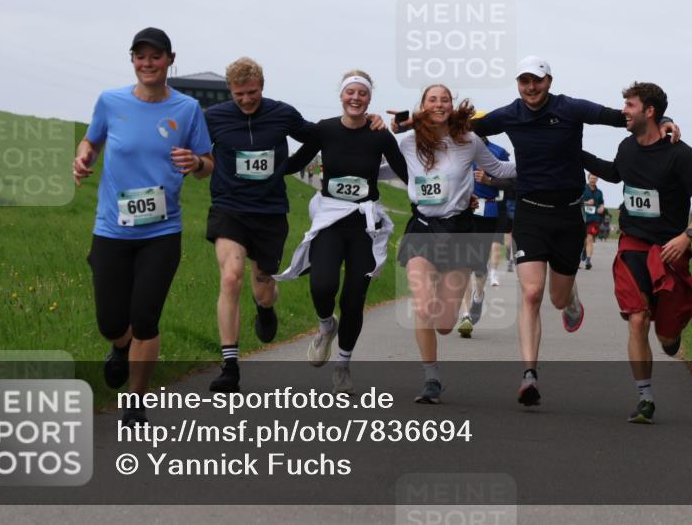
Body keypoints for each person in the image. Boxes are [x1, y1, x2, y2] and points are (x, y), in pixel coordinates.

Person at [395, 56, 679, 406]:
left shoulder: (570, 108)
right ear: (518, 83)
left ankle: (570, 298)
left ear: (549, 81)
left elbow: (619, 117)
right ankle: (527, 374)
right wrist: (405, 123)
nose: (531, 87)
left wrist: (662, 119)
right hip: (523, 215)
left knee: (554, 299)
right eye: (524, 80)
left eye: (537, 80)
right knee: (530, 294)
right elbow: (460, 123)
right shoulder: (503, 115)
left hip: (564, 215)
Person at [73, 27, 213, 426]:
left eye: (156, 56)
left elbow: (207, 164)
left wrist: (197, 164)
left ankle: (135, 400)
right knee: (111, 322)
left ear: (170, 59)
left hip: (162, 232)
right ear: (132, 60)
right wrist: (83, 158)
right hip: (112, 229)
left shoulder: (187, 110)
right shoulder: (110, 101)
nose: (147, 64)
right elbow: (91, 141)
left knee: (146, 317)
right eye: (140, 56)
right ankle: (119, 346)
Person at [580, 82, 692, 424]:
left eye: (629, 105)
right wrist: (574, 151)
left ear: (649, 111)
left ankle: (671, 335)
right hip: (633, 245)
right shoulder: (627, 147)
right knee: (637, 317)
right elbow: (613, 173)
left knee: (667, 338)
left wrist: (687, 236)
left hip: (670, 250)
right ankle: (645, 397)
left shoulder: (680, 155)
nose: (623, 110)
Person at [277, 71, 408, 395]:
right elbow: (295, 163)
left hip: (363, 225)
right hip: (330, 220)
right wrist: (259, 160)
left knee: (353, 298)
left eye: (362, 94)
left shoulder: (379, 134)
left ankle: (343, 364)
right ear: (341, 95)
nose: (355, 98)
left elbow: (407, 172)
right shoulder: (325, 129)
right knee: (322, 285)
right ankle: (325, 327)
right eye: (350, 92)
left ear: (369, 99)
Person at [395, 85, 516, 402]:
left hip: (460, 229)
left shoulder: (468, 142)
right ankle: (431, 378)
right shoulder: (408, 143)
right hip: (421, 228)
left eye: (444, 99)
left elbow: (500, 169)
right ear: (422, 106)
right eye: (432, 99)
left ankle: (447, 304)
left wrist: (542, 161)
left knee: (446, 324)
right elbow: (382, 167)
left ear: (452, 106)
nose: (439, 104)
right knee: (423, 306)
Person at [202, 57, 316, 393]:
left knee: (262, 287)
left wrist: (291, 165)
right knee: (231, 276)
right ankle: (230, 367)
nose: (246, 100)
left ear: (262, 87)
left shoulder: (281, 113)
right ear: (230, 91)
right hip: (229, 208)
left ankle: (265, 309)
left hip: (269, 212)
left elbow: (316, 137)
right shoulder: (215, 118)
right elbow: (193, 148)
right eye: (239, 94)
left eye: (252, 92)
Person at [455, 129, 511, 338]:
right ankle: (465, 315)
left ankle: (479, 295)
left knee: (479, 266)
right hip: (461, 212)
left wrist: (490, 181)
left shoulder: (498, 152)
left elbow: (512, 182)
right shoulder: (458, 148)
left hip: (487, 212)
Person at [581, 174, 605, 269]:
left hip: (594, 219)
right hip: (582, 218)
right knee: (583, 240)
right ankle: (584, 250)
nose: (593, 180)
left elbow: (601, 202)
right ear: (588, 178)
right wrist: (586, 203)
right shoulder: (582, 188)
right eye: (591, 178)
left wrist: (601, 207)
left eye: (595, 178)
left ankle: (588, 261)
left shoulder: (599, 192)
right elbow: (577, 201)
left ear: (597, 179)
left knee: (590, 239)